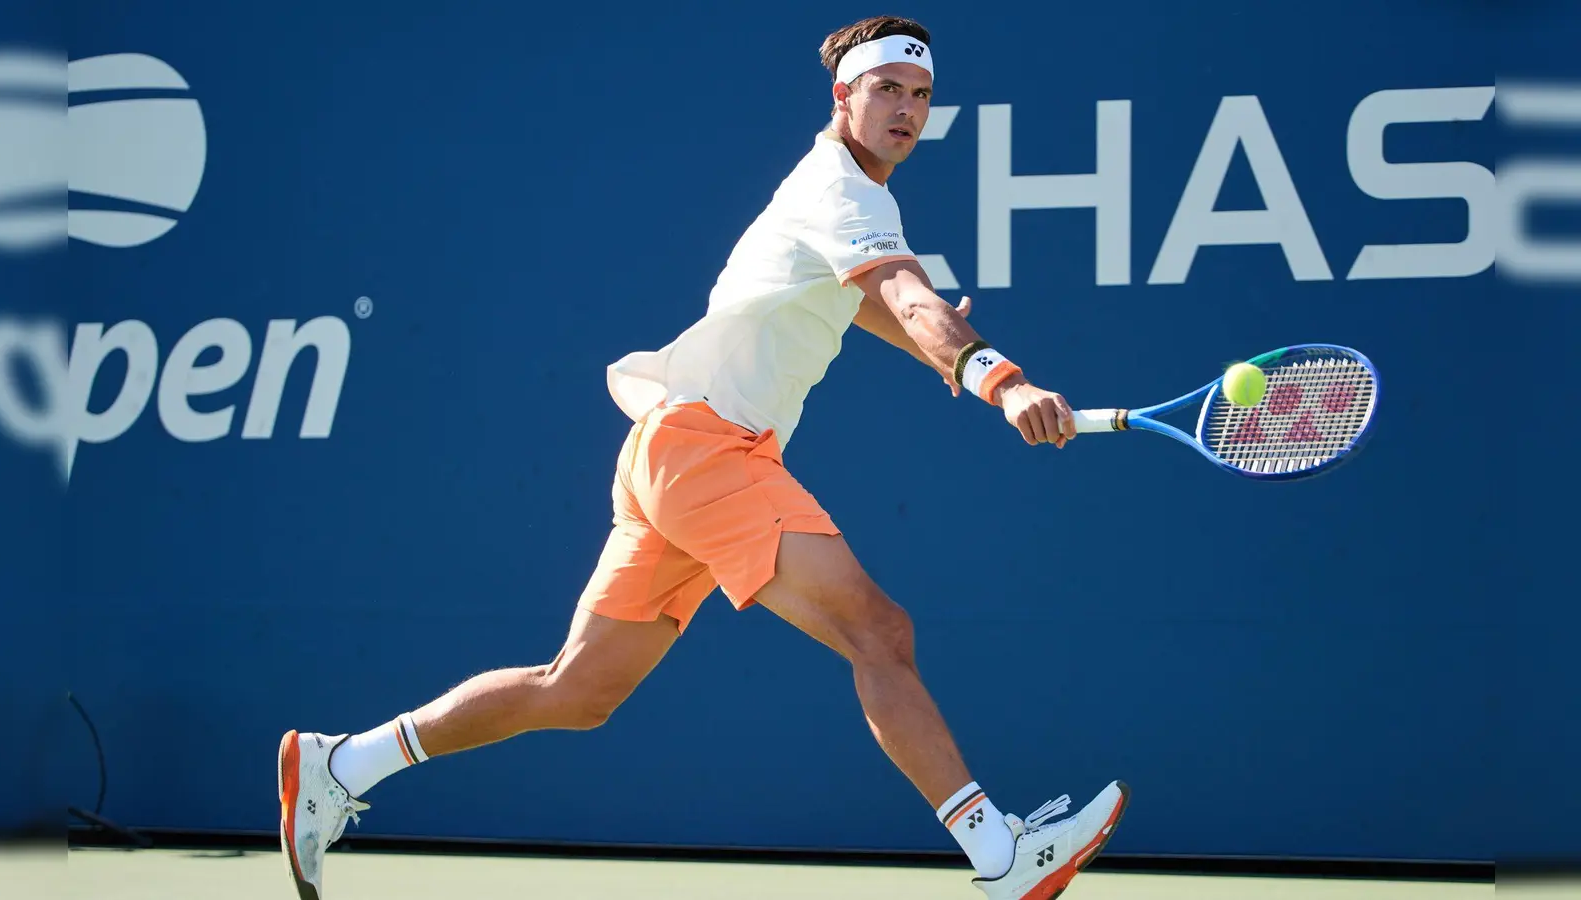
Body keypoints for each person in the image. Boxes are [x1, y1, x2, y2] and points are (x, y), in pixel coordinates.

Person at [278, 15, 1128, 899]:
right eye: (888, 90)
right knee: (878, 632)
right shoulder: (846, 190)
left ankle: (343, 764)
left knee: (577, 691)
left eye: (920, 96)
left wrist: (949, 358)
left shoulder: (837, 197)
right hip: (706, 451)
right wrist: (1002, 380)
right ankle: (999, 854)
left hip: (668, 449)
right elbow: (908, 297)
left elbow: (875, 306)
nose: (907, 110)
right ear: (844, 96)